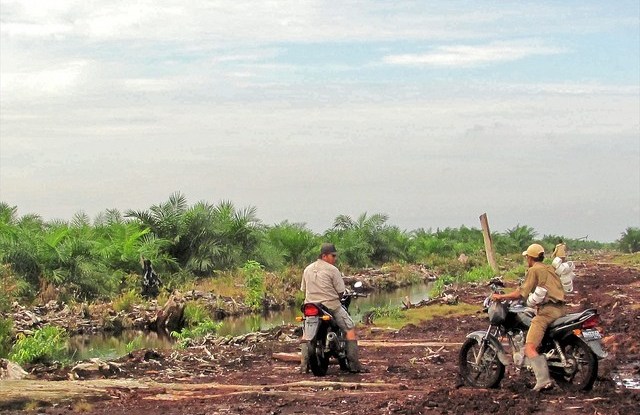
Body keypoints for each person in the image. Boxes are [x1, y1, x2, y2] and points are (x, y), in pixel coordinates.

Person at [492, 243, 566, 391]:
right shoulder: (549, 268)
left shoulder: (534, 270)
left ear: (530, 257)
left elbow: (521, 293)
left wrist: (501, 297)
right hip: (561, 309)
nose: (527, 259)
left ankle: (543, 380)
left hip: (547, 312)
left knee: (529, 347)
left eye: (527, 257)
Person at [300, 243, 365, 373]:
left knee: (305, 333)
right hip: (330, 306)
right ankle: (354, 365)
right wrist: (338, 295)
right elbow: (341, 292)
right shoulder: (332, 270)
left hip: (310, 306)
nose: (335, 258)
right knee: (350, 328)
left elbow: (303, 289)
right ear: (324, 256)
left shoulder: (307, 269)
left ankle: (303, 366)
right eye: (333, 255)